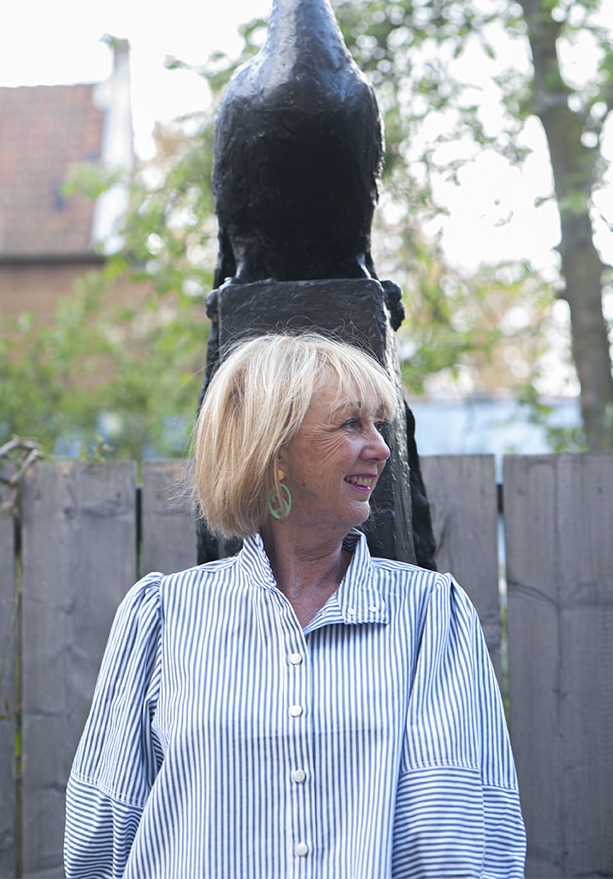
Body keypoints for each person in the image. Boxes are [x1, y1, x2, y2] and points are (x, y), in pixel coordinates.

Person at [64, 332, 526, 878]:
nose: (380, 447)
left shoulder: (430, 616)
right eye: (352, 423)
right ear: (273, 446)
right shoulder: (162, 619)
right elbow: (101, 837)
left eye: (380, 424)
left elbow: (461, 835)